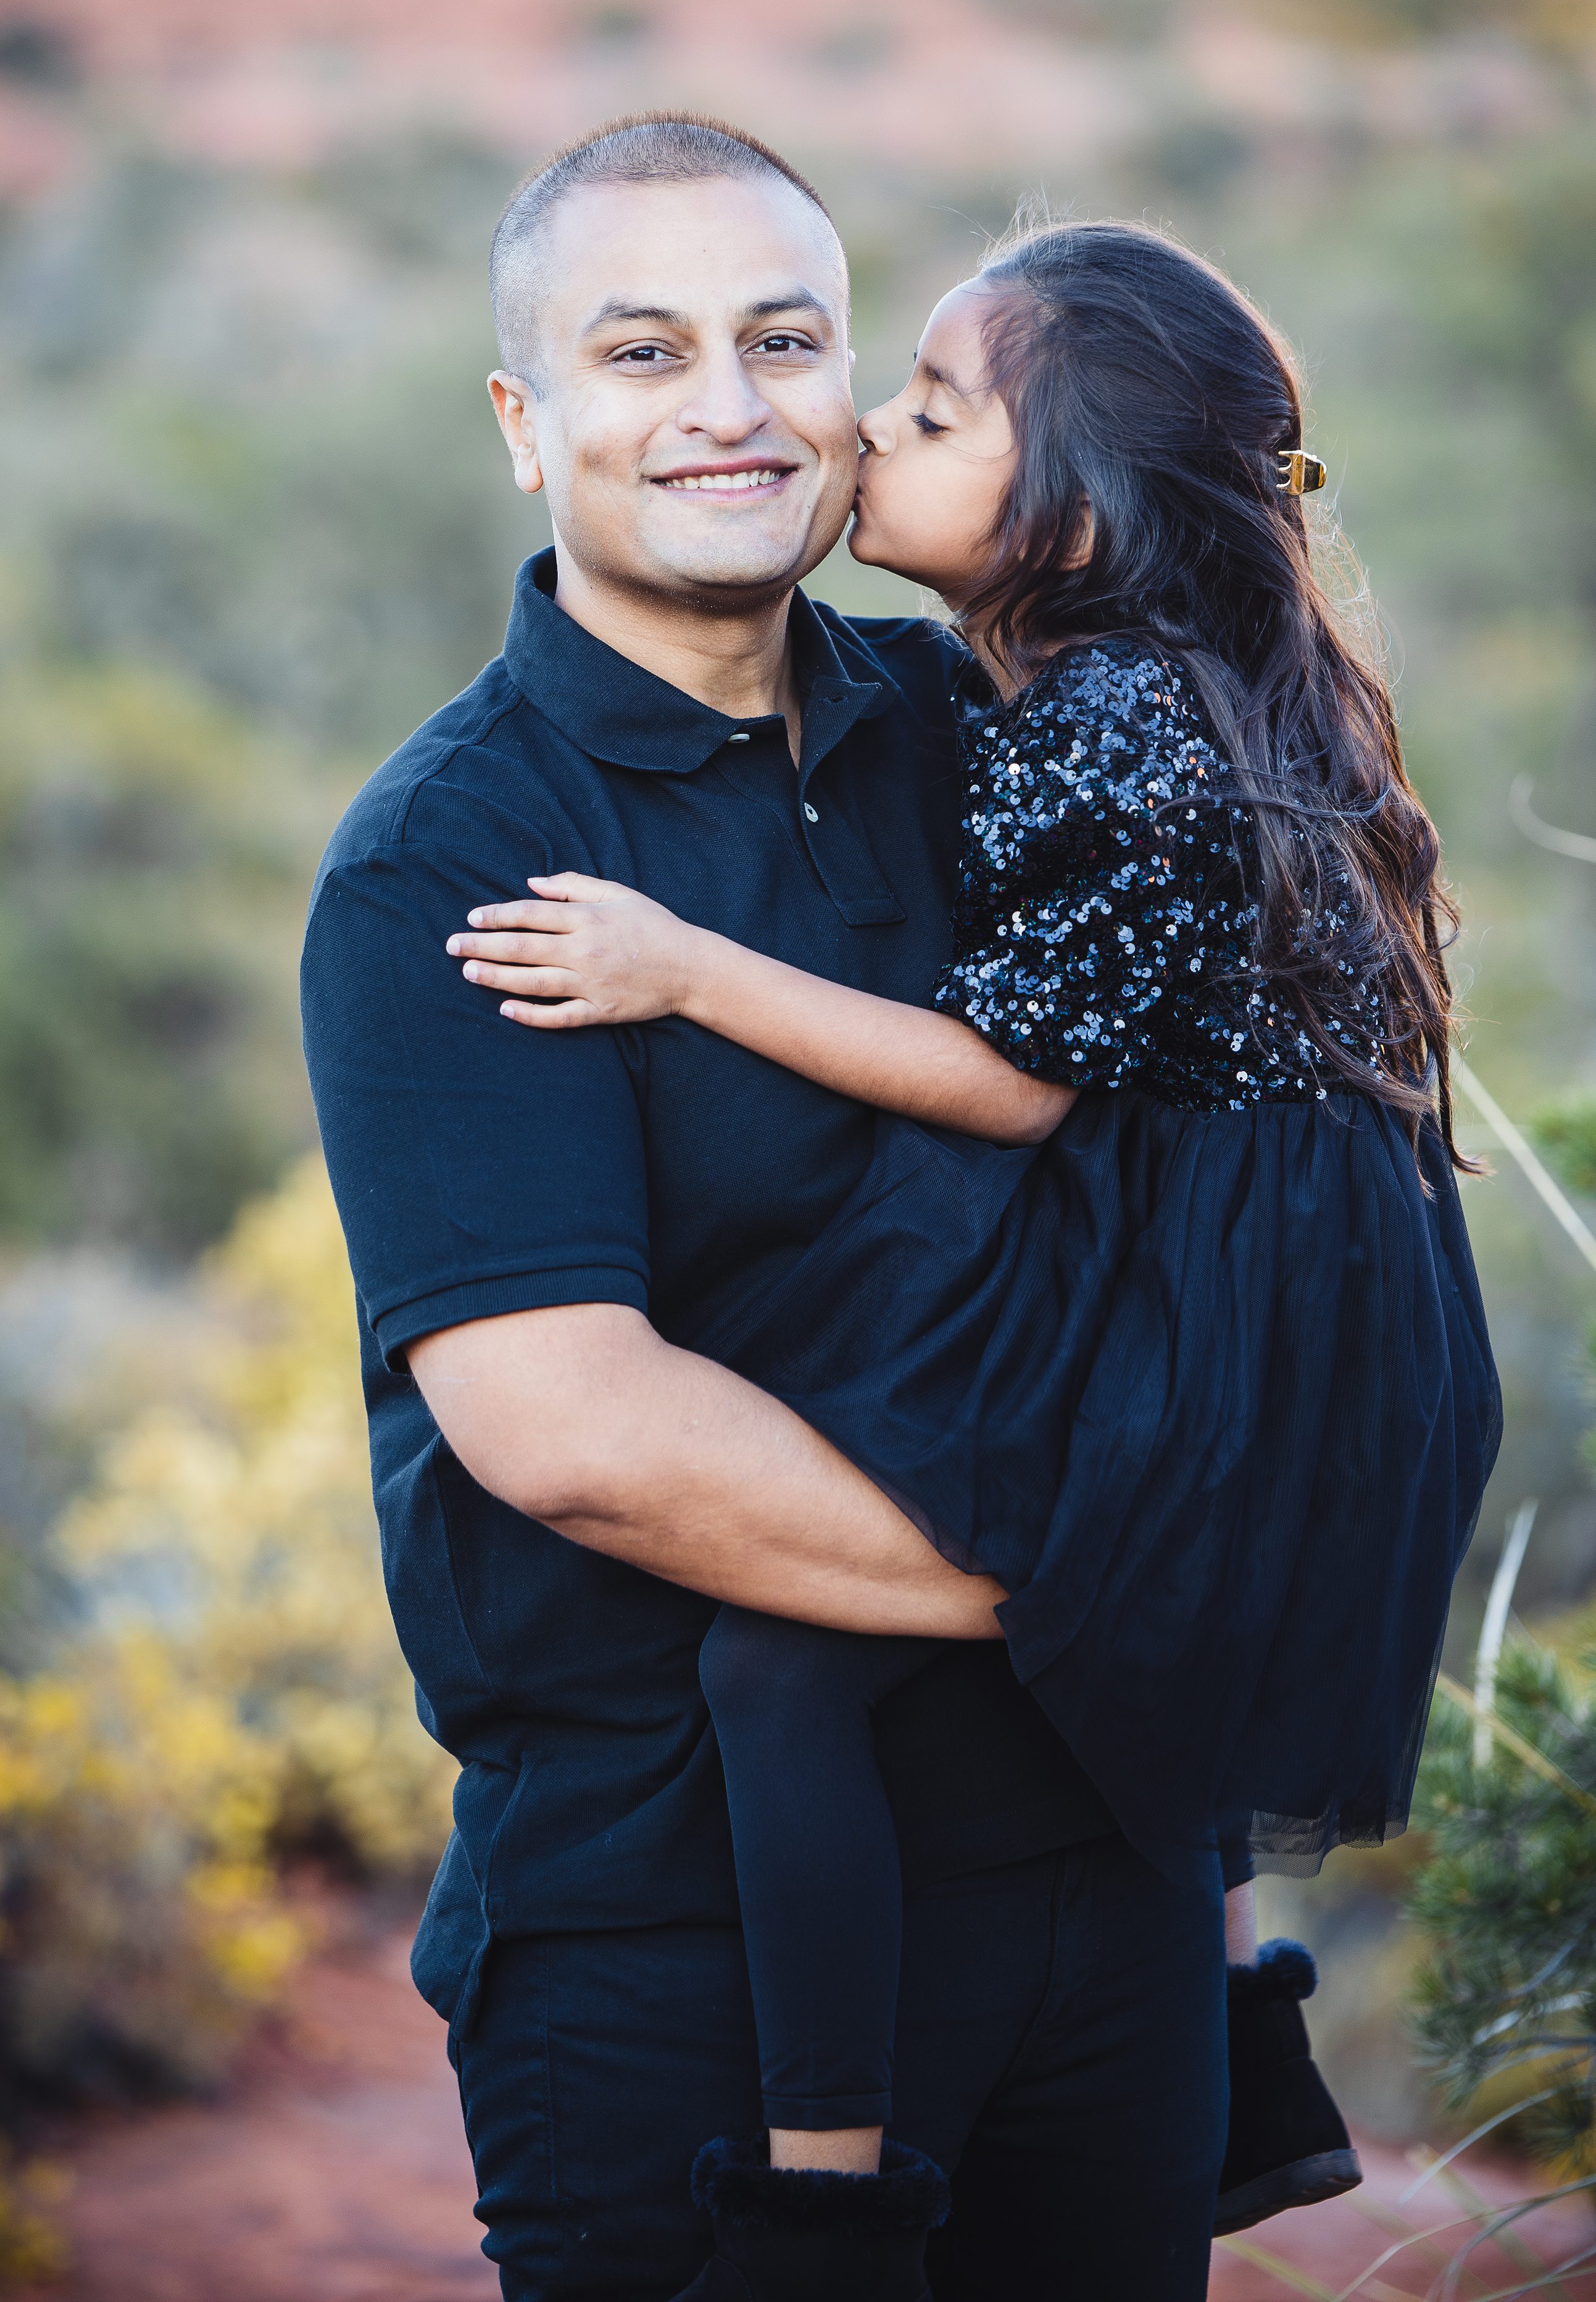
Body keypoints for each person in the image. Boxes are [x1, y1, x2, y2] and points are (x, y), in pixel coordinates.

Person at [446, 222, 1502, 2301]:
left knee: (788, 1651)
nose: (851, 430)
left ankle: (826, 2195)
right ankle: (1237, 2049)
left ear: (1077, 500)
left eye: (918, 406)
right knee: (1136, 1640)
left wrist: (678, 965)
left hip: (1196, 1260)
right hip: (1259, 1258)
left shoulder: (1103, 721)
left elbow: (1016, 1091)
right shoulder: (1136, 684)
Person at [302, 123, 1237, 2302]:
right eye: (644, 350)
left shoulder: (1002, 734)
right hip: (673, 1930)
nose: (727, 403)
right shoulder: (454, 864)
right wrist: (1123, 1575)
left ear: (853, 393)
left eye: (785, 338)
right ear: (529, 427)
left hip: (1107, 1879)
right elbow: (576, 1429)